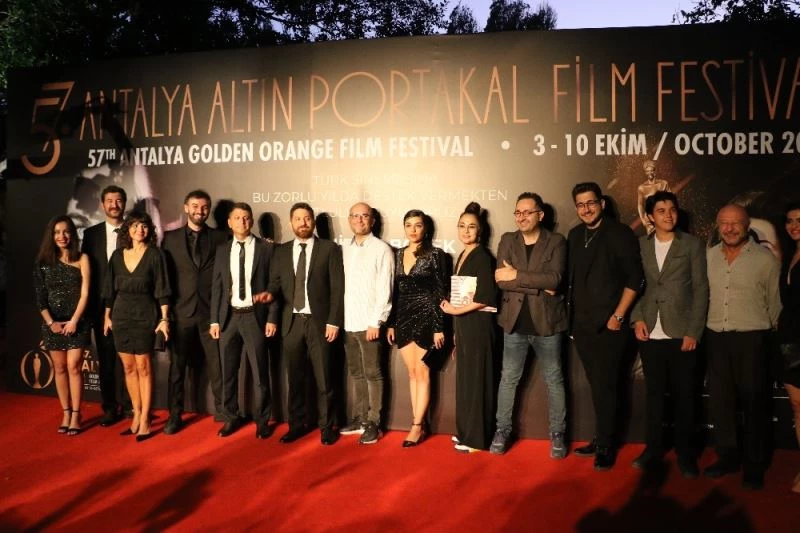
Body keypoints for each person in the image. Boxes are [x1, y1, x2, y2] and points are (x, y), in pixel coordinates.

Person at [630, 191, 708, 478]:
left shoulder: (692, 245)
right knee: (654, 397)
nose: (668, 215)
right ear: (650, 216)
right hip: (650, 332)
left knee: (685, 397)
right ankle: (653, 449)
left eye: (672, 209)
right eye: (661, 210)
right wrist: (637, 318)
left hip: (681, 333)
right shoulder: (640, 245)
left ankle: (686, 454)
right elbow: (635, 285)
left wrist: (693, 331)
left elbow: (701, 289)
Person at [704, 204, 781, 490]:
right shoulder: (708, 257)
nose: (730, 228)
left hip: (753, 340)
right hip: (716, 339)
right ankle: (728, 458)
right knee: (721, 404)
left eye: (736, 223)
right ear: (717, 226)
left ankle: (754, 466)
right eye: (724, 223)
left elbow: (775, 305)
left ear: (747, 226)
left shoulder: (765, 259)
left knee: (755, 404)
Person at [568, 182, 643, 471]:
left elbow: (635, 278)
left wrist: (619, 316)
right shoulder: (575, 235)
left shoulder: (619, 233)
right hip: (583, 326)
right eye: (580, 204)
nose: (586, 209)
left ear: (602, 203)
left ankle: (607, 445)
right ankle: (601, 437)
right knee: (597, 386)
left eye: (591, 203)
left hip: (611, 326)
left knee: (608, 386)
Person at [490, 192, 568, 458]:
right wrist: (538, 284)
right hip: (514, 324)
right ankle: (502, 430)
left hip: (548, 324)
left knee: (554, 380)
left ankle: (558, 434)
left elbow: (555, 280)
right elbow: (501, 280)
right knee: (508, 379)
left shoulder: (556, 241)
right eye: (518, 212)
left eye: (527, 212)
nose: (521, 217)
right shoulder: (507, 240)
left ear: (540, 215)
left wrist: (518, 275)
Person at [266, 202, 344, 446]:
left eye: (307, 218)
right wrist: (269, 305)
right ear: (291, 222)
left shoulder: (329, 249)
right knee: (295, 379)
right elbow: (275, 285)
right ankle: (296, 425)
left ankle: (327, 427)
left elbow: (337, 289)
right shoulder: (280, 251)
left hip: (320, 324)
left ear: (313, 222)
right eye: (298, 219)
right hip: (291, 324)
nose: (303, 223)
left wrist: (334, 321)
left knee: (325, 380)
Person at [162, 190, 229, 434]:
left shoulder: (221, 237)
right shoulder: (169, 238)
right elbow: (165, 277)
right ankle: (174, 415)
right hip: (181, 313)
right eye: (195, 206)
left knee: (217, 367)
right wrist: (166, 314)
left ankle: (223, 411)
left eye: (204, 207)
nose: (199, 211)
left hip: (211, 314)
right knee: (177, 369)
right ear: (185, 207)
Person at [209, 203, 278, 439]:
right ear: (229, 222)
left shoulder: (266, 249)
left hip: (254, 317)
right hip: (228, 318)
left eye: (246, 217)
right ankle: (230, 417)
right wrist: (214, 320)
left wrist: (272, 317)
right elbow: (217, 287)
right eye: (237, 218)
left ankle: (262, 421)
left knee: (260, 374)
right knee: (228, 373)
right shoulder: (222, 250)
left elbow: (274, 286)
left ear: (252, 221)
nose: (242, 221)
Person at [103, 211, 171, 442]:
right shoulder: (117, 255)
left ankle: (145, 418)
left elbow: (162, 289)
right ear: (128, 230)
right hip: (121, 316)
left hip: (145, 315)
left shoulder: (155, 255)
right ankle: (136, 412)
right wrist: (107, 316)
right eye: (134, 225)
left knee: (144, 367)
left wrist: (164, 319)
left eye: (144, 226)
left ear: (149, 230)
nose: (139, 230)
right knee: (129, 367)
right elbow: (109, 290)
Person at [387, 209, 448, 447]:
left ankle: (416, 426)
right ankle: (418, 423)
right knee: (412, 373)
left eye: (418, 225)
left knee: (423, 372)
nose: (413, 230)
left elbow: (441, 292)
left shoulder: (436, 254)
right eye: (409, 225)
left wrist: (438, 326)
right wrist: (392, 323)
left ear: (426, 228)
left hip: (427, 316)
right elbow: (395, 292)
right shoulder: (398, 254)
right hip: (403, 317)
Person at [441, 202, 496, 453]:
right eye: (462, 226)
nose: (466, 231)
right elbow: (460, 295)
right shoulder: (462, 255)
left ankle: (477, 440)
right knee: (465, 382)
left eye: (471, 226)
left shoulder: (483, 257)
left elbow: (485, 297)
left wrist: (454, 311)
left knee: (477, 382)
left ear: (479, 230)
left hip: (479, 327)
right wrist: (456, 334)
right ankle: (466, 433)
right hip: (464, 327)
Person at [340, 202, 394, 445]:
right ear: (349, 220)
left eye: (364, 216)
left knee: (373, 373)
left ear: (372, 221)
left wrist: (376, 321)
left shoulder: (381, 249)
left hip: (369, 323)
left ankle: (374, 422)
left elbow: (385, 288)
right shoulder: (343, 249)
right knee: (357, 373)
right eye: (355, 216)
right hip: (348, 322)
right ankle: (361, 417)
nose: (359, 220)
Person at [34, 216, 91, 436]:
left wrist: (75, 320)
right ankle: (66, 413)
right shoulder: (43, 263)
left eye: (66, 231)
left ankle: (76, 414)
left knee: (74, 366)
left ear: (72, 234)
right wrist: (51, 323)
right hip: (53, 324)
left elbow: (85, 293)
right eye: (57, 232)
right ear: (51, 236)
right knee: (59, 368)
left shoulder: (82, 259)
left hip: (78, 322)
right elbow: (40, 298)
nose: (62, 236)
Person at [81, 184, 130, 426]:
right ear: (102, 205)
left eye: (118, 200)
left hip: (130, 305)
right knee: (107, 362)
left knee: (130, 360)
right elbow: (86, 274)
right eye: (109, 201)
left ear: (124, 204)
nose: (114, 205)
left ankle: (131, 405)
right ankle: (110, 407)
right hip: (101, 309)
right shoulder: (90, 235)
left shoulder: (134, 230)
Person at [778, 202, 800, 493]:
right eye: (790, 220)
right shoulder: (789, 255)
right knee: (797, 406)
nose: (794, 225)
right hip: (789, 341)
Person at [636, 160, 671, 234]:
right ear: (645, 172)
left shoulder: (663, 184)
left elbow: (671, 201)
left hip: (663, 216)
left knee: (665, 236)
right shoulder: (642, 188)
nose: (650, 173)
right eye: (647, 171)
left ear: (655, 171)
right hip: (649, 219)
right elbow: (640, 204)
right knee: (652, 239)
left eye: (651, 170)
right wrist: (642, 219)